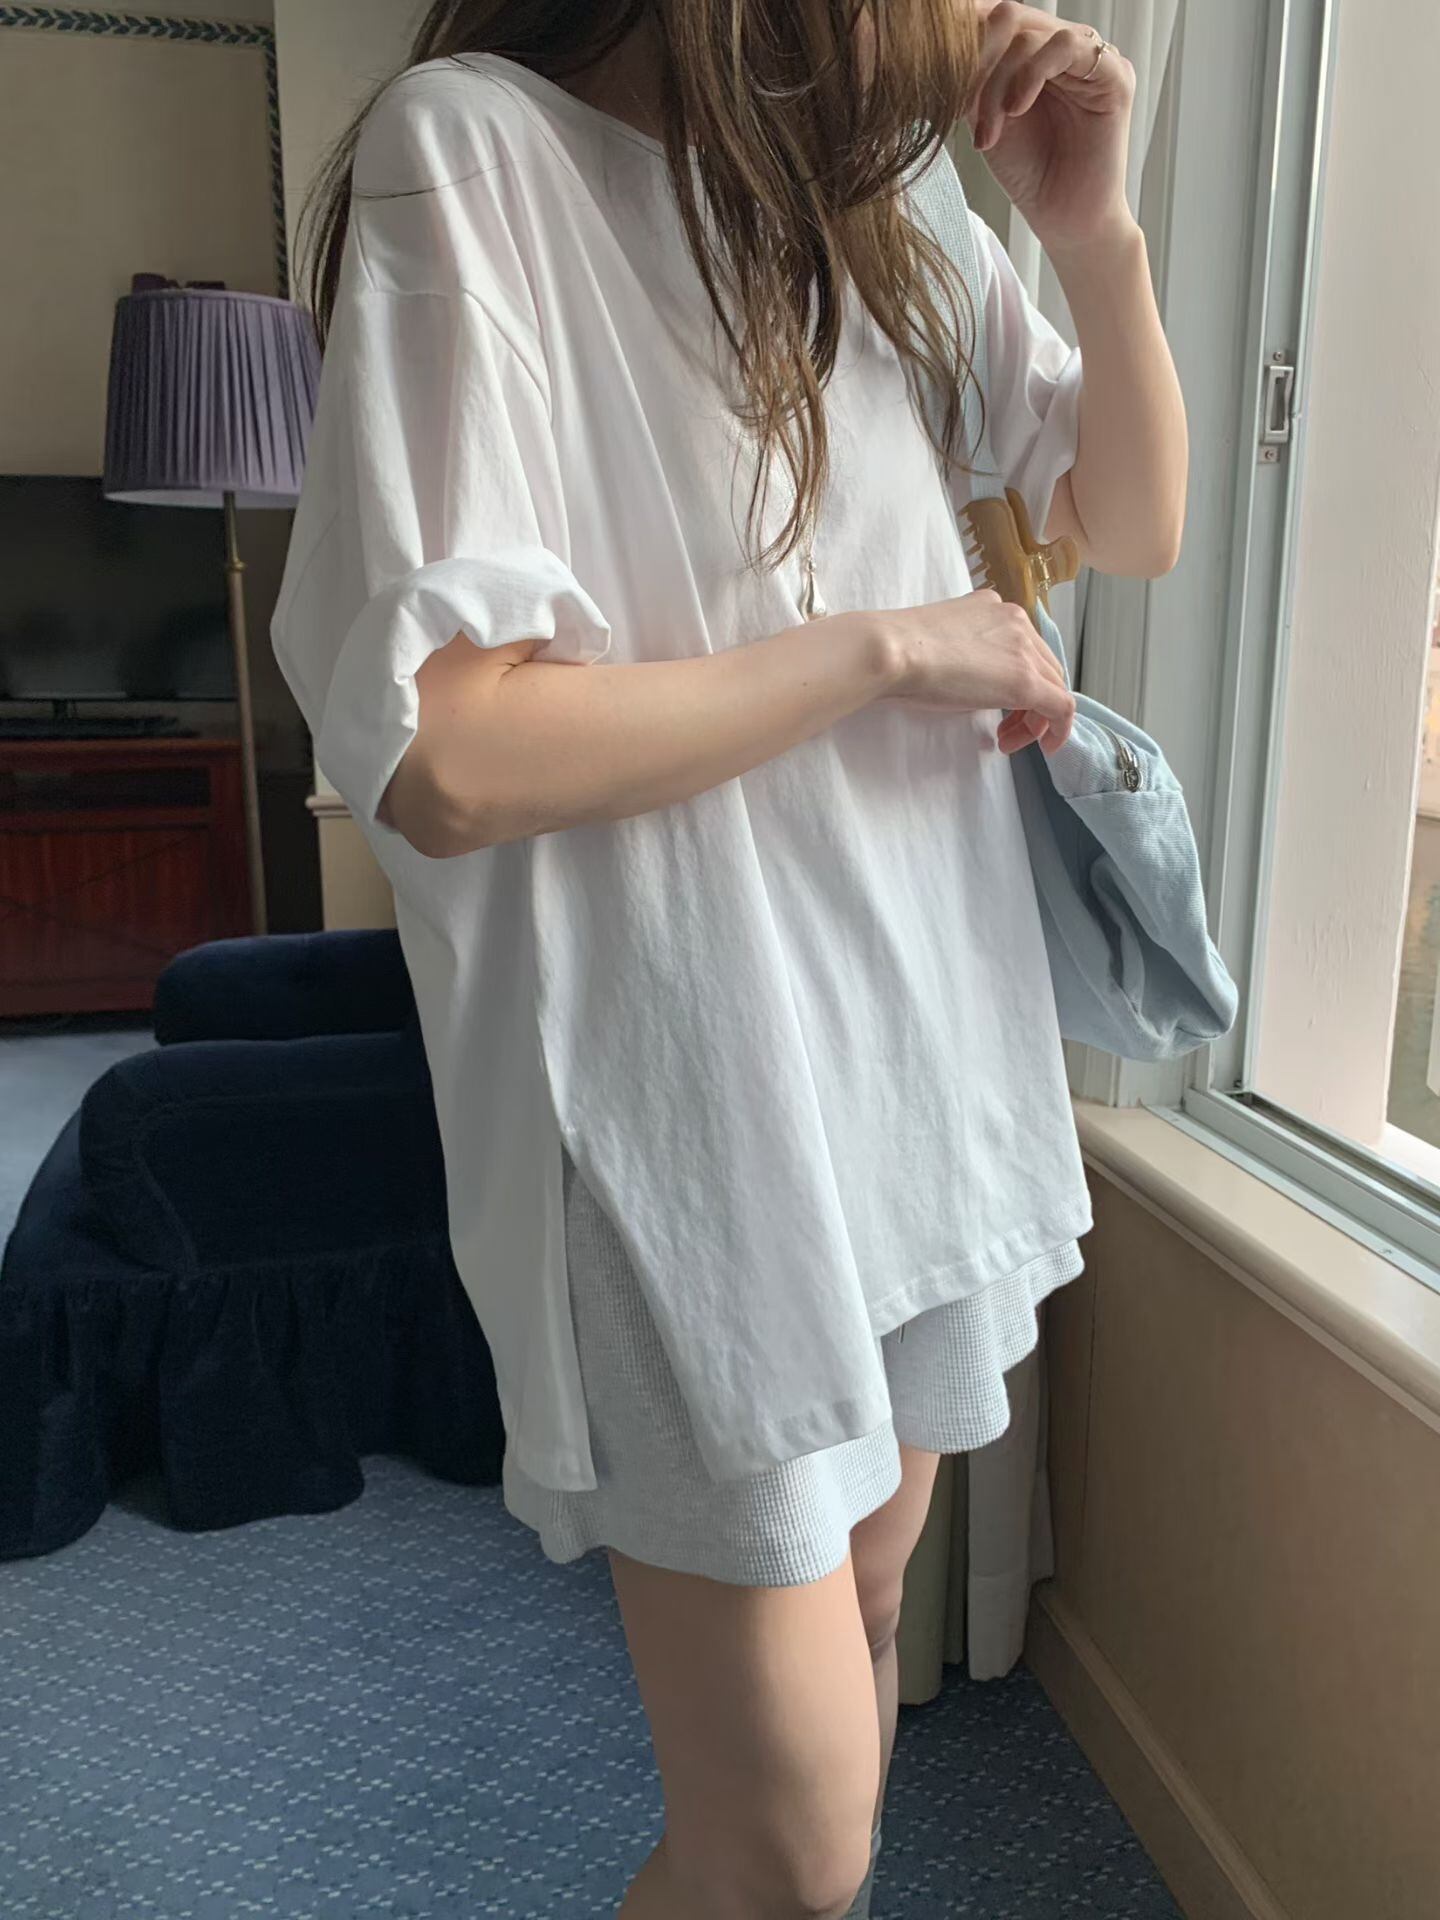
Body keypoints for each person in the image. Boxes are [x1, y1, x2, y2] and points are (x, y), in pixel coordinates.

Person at [272, 2, 1186, 1914]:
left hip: (918, 1044)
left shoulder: (885, 220)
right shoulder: (477, 153)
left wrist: (1094, 239)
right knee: (792, 1845)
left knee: (871, 1614)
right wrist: (892, 646)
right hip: (686, 1093)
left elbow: (1133, 516)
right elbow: (451, 753)